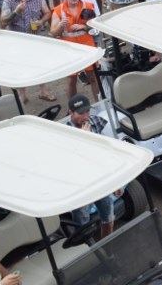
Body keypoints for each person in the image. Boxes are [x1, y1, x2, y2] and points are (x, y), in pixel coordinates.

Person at [66, 94, 119, 239]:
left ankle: (108, 248)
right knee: (83, 226)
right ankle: (87, 252)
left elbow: (105, 152)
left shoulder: (95, 121)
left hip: (99, 180)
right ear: (70, 113)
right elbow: (71, 163)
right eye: (81, 113)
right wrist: (84, 139)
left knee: (108, 220)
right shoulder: (65, 134)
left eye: (87, 111)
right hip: (80, 186)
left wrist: (116, 182)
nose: (85, 116)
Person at [1, 0, 54, 103]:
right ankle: (22, 95)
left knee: (39, 65)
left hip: (35, 38)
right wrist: (16, 12)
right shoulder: (9, 2)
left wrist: (41, 22)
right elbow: (3, 21)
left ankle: (43, 91)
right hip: (17, 40)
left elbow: (48, 13)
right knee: (20, 67)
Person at [51, 0, 99, 101]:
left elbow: (97, 26)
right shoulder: (58, 10)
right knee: (71, 79)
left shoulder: (88, 6)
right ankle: (74, 107)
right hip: (69, 46)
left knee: (93, 76)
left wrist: (85, 27)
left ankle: (100, 102)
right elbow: (53, 33)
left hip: (87, 43)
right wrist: (61, 26)